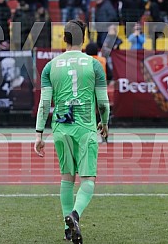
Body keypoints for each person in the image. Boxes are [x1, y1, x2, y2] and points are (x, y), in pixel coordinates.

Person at [34, 20, 110, 244]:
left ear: (64, 38)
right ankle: (75, 215)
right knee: (88, 179)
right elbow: (104, 103)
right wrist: (104, 123)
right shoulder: (94, 64)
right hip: (85, 126)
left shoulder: (50, 66)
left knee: (67, 178)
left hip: (61, 127)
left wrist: (39, 133)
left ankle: (66, 230)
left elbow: (44, 103)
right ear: (84, 39)